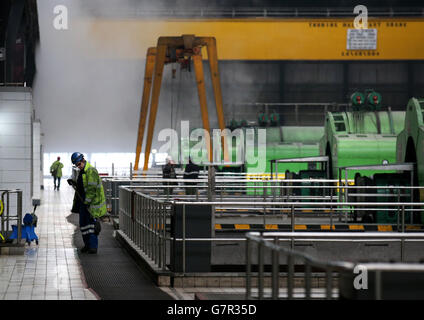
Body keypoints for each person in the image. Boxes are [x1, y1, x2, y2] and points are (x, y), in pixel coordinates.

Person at [69, 152, 106, 254]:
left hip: (91, 204)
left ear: (83, 160)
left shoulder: (91, 171)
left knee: (91, 226)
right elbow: (83, 186)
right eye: (76, 165)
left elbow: (91, 189)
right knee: (84, 225)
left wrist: (87, 202)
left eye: (78, 164)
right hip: (84, 203)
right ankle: (87, 245)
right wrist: (74, 183)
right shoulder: (83, 171)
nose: (78, 166)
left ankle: (93, 246)